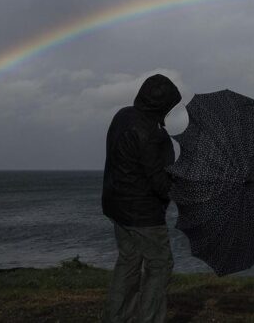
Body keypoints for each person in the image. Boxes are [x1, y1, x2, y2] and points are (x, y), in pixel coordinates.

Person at [101, 74, 182, 323]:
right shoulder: (153, 135)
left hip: (117, 206)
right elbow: (160, 184)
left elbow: (126, 163)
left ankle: (117, 318)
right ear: (163, 106)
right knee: (160, 265)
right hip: (144, 214)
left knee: (129, 262)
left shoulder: (122, 115)